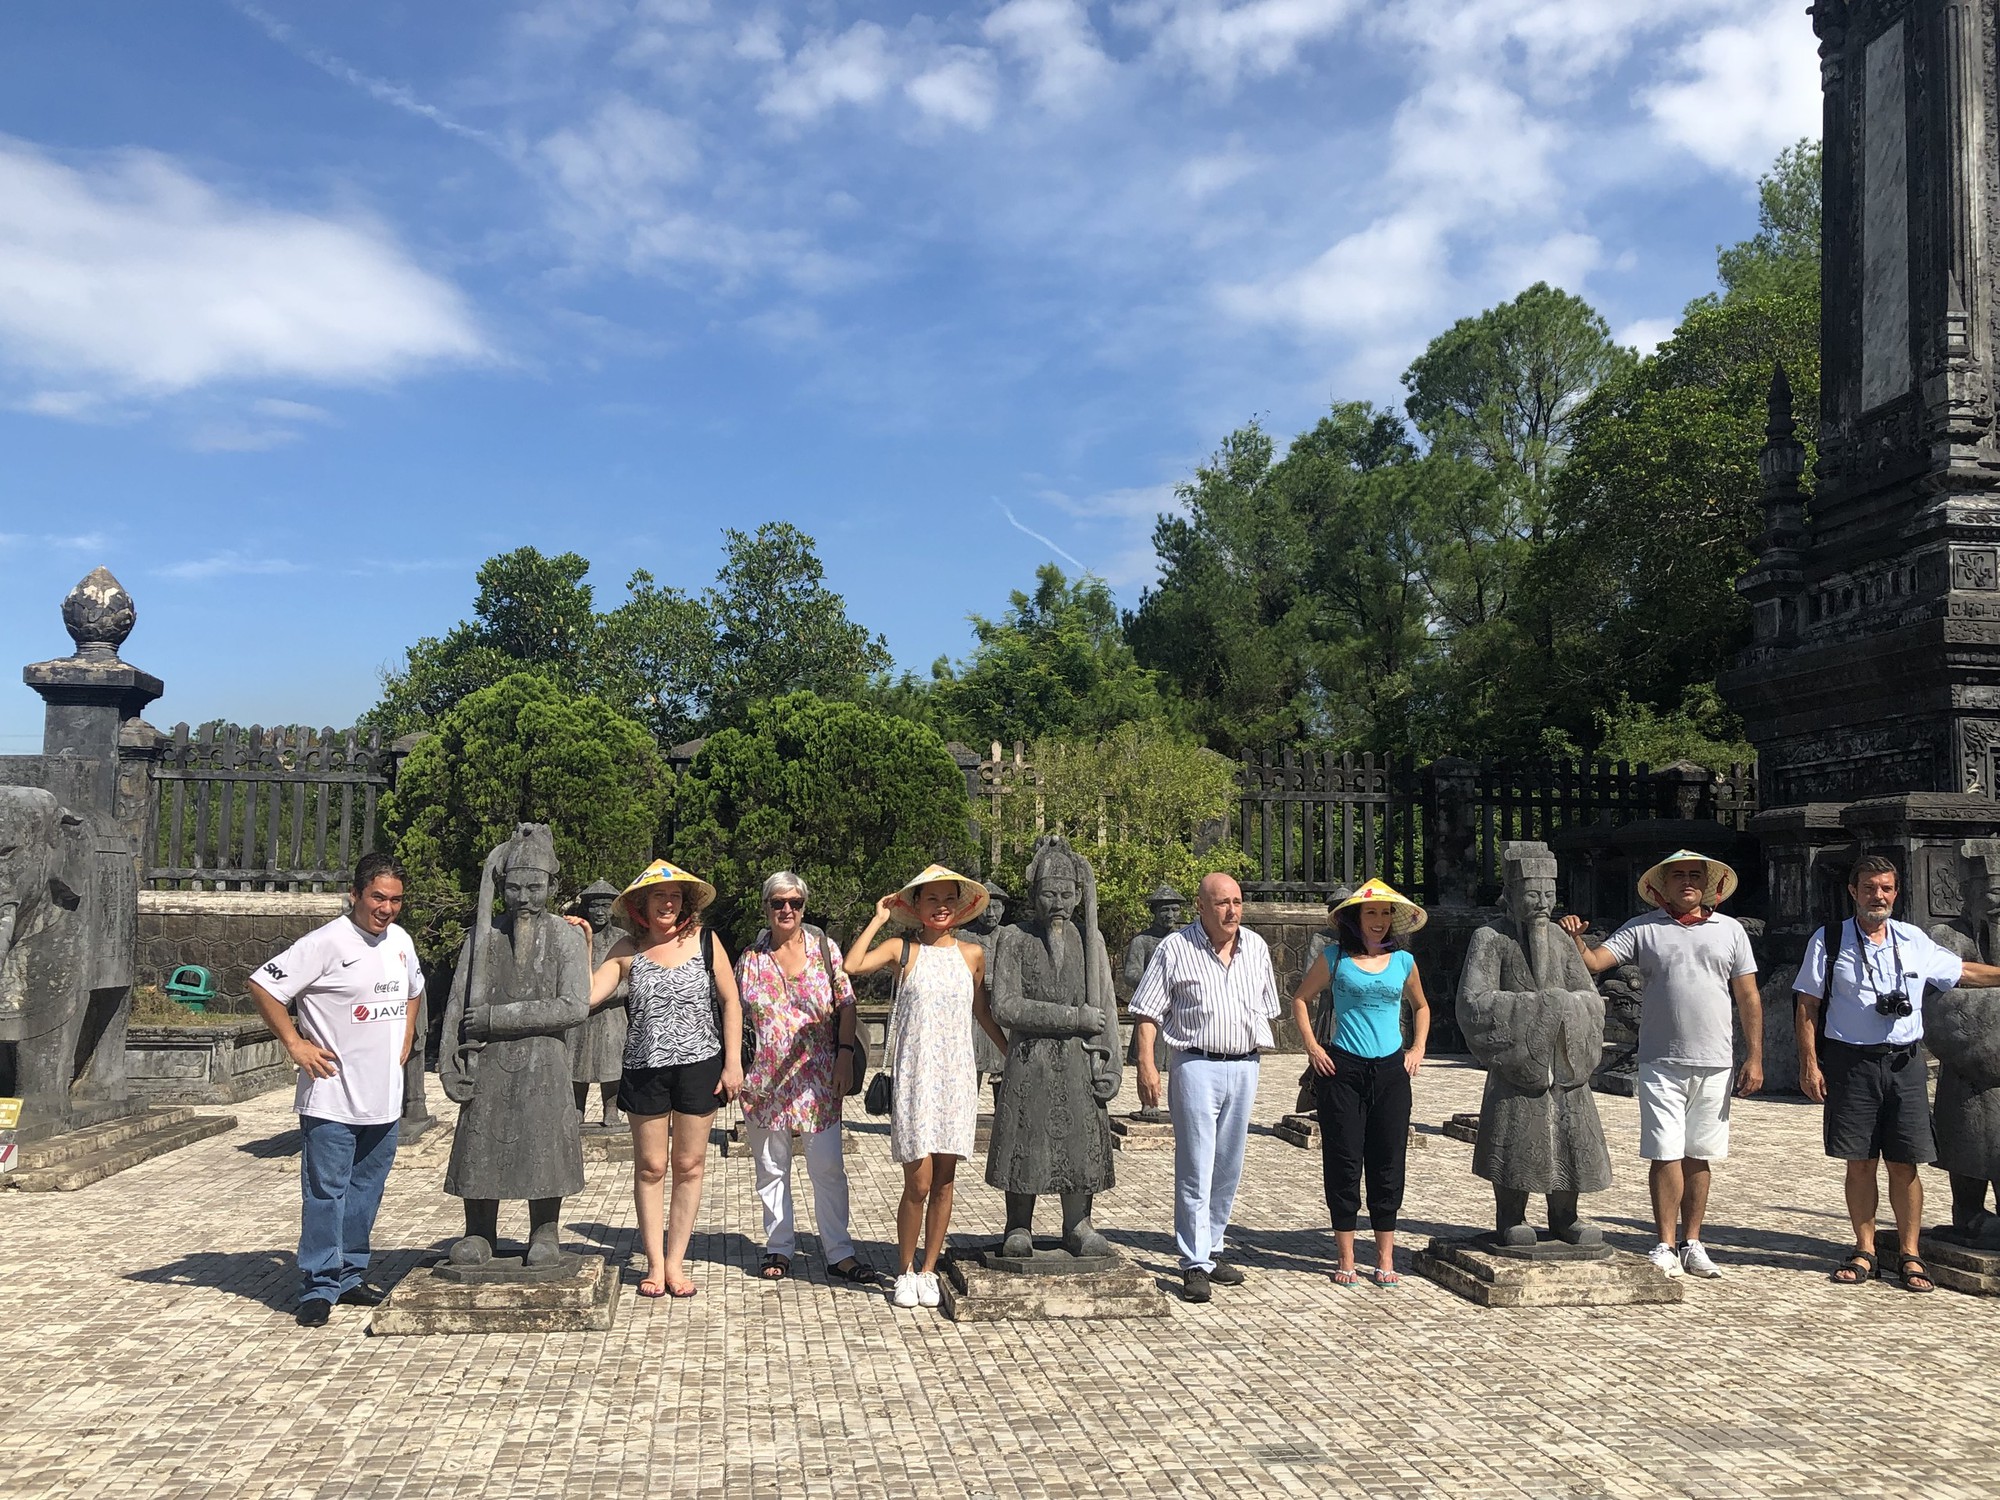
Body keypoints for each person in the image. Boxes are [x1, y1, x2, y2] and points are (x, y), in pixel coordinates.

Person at [1795, 855, 2000, 1292]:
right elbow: (1808, 1005)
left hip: (1905, 1063)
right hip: (1851, 1062)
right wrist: (1810, 1063)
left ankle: (1910, 1253)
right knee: (1860, 1162)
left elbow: (1961, 973)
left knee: (1906, 1164)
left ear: (1896, 892)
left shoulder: (1912, 939)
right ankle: (1865, 1248)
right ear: (1854, 891)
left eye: (1886, 888)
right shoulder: (1829, 940)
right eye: (1870, 887)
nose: (1879, 896)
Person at [1560, 851, 1761, 1278]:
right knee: (1665, 1151)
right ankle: (1665, 1243)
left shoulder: (1731, 931)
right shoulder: (1644, 928)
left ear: (1708, 885)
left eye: (1695, 876)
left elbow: (1747, 995)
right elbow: (1595, 963)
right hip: (1661, 1058)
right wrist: (1577, 939)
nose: (1687, 882)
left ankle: (1693, 1241)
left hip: (1716, 1059)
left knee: (1700, 1153)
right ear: (1662, 886)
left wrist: (1755, 1056)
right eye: (1678, 877)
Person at [246, 852, 424, 1328]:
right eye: (378, 898)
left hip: (383, 1097)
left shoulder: (401, 941)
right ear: (356, 895)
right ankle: (318, 1285)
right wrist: (294, 1043)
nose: (386, 909)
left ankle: (351, 1274)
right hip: (332, 1095)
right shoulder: (326, 942)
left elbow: (413, 990)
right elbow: (264, 985)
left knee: (366, 1190)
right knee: (326, 1191)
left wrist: (407, 1033)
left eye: (396, 900)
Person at [845, 863, 1006, 1311]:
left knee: (945, 1181)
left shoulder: (972, 954)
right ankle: (904, 1270)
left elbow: (982, 1012)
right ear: (916, 906)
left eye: (948, 899)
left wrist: (1011, 1054)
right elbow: (852, 965)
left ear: (959, 904)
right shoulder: (903, 949)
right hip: (916, 1076)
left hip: (956, 1076)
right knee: (917, 1181)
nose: (940, 907)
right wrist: (880, 917)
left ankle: (930, 1270)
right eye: (931, 899)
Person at [583, 860, 742, 1300]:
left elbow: (731, 1003)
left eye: (674, 897)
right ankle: (654, 1263)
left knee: (689, 1166)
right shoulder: (626, 949)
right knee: (651, 1167)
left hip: (699, 1066)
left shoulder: (707, 942)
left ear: (685, 902)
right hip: (644, 1067)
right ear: (641, 905)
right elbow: (587, 995)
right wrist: (584, 944)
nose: (667, 904)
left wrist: (733, 1064)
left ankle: (676, 1262)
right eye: (658, 897)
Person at [1129, 871, 1281, 1304]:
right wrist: (1146, 1065)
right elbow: (1147, 1012)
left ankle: (1214, 1246)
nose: (1232, 910)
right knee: (1196, 1164)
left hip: (1244, 1065)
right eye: (1221, 903)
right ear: (1201, 907)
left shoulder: (1256, 948)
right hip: (1195, 1063)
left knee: (1230, 1166)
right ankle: (1194, 1262)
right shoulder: (1175, 949)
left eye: (1237, 901)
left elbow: (1264, 1006)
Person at [734, 870, 879, 1287]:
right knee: (770, 1167)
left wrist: (845, 1057)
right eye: (778, 902)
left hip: (819, 1077)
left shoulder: (824, 949)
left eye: (794, 903)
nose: (786, 910)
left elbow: (846, 1004)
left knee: (828, 1166)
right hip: (765, 1081)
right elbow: (733, 1013)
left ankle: (838, 1250)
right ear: (766, 907)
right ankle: (778, 1245)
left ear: (803, 908)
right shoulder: (750, 959)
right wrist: (732, 1066)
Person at [1287, 879, 1430, 1287]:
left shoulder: (1403, 961)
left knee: (1388, 1162)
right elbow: (1300, 1000)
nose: (1379, 921)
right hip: (1342, 1071)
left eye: (1385, 914)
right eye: (1372, 913)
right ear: (1356, 917)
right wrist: (1314, 1048)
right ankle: (1346, 1257)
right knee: (1344, 1162)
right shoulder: (1334, 958)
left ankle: (1385, 1257)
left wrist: (1417, 1048)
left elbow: (1421, 1006)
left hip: (1390, 1072)